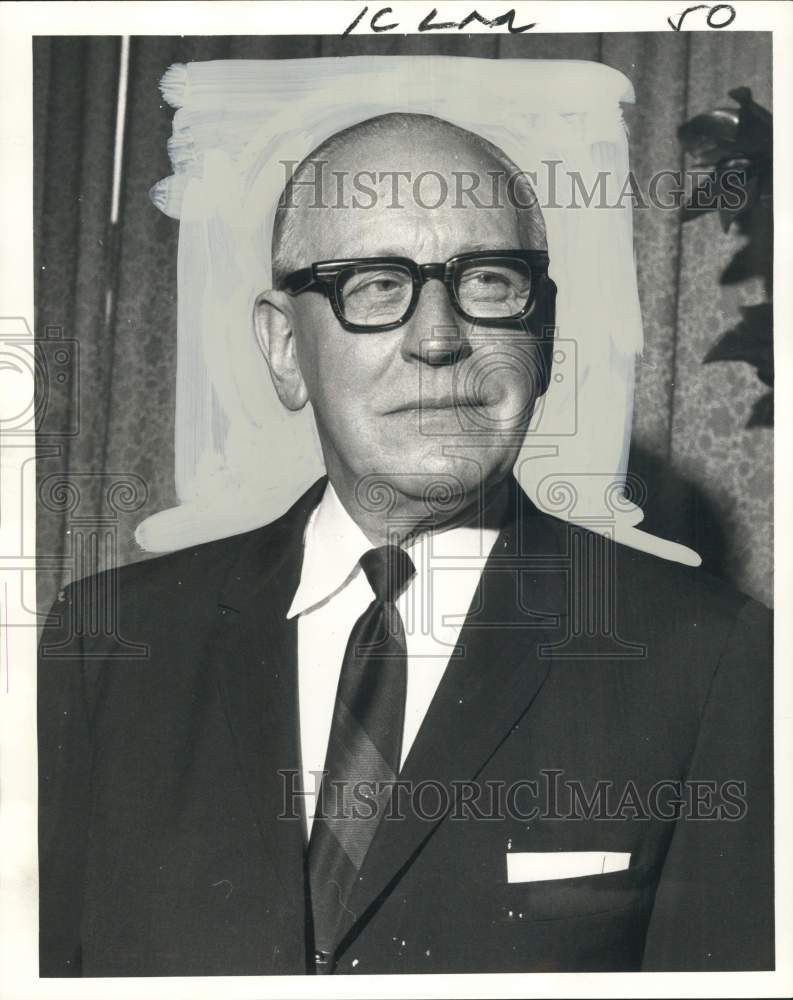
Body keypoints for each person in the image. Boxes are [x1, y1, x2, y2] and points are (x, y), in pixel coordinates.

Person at [38, 112, 773, 977]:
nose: (437, 339)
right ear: (283, 347)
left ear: (541, 333)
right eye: (375, 285)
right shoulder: (102, 644)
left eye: (489, 280)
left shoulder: (714, 659)